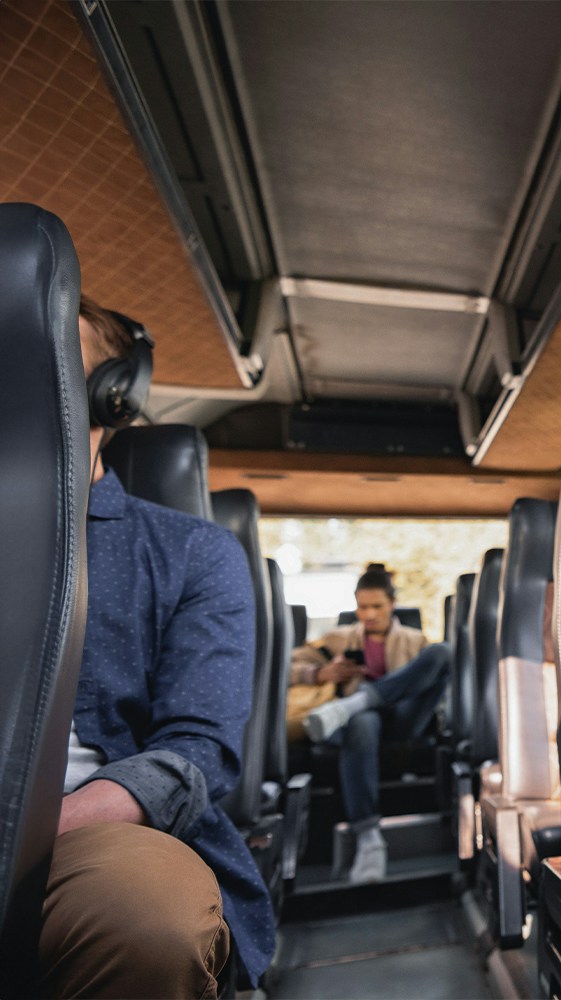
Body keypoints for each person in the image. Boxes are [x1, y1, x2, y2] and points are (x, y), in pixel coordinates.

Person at [37, 295, 273, 997]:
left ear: (115, 397)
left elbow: (196, 748)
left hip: (85, 837)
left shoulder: (190, 553)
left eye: (42, 359)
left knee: (147, 918)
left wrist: (33, 829)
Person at [289, 563, 451, 883]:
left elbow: (430, 682)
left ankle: (358, 702)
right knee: (362, 721)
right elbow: (290, 666)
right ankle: (369, 840)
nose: (369, 614)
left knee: (442, 652)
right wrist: (322, 673)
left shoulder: (415, 639)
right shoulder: (338, 639)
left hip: (402, 720)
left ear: (392, 604)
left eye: (377, 606)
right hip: (357, 729)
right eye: (362, 607)